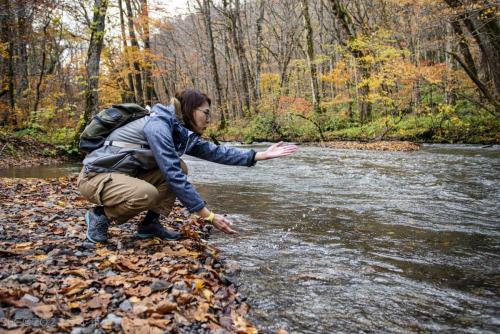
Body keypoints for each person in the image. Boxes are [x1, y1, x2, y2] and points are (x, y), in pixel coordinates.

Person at [77, 89, 297, 243]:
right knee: (148, 192)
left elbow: (214, 151)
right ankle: (100, 217)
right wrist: (208, 215)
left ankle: (150, 226)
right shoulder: (158, 126)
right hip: (96, 178)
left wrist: (259, 155)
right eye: (206, 113)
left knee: (181, 167)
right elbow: (170, 172)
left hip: (122, 177)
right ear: (191, 109)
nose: (209, 119)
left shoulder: (177, 130)